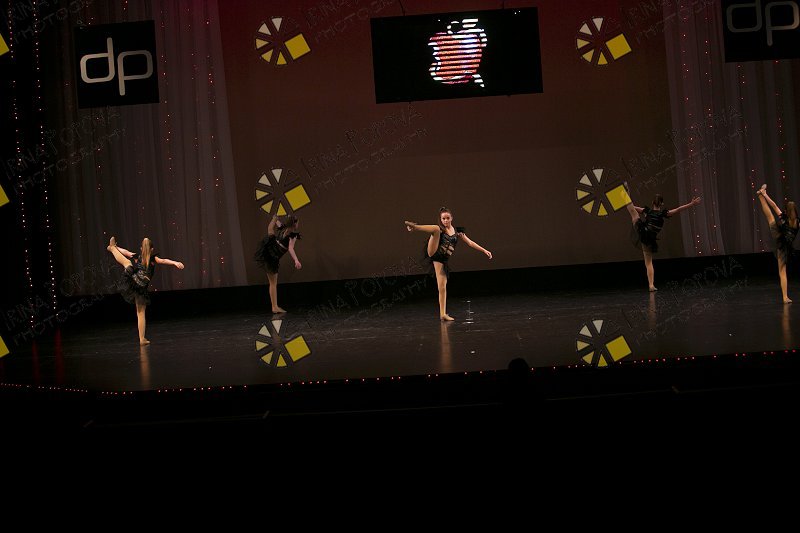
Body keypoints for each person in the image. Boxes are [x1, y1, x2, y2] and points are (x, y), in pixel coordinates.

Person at [404, 207, 492, 321]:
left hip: (442, 260)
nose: (445, 221)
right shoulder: (441, 229)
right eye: (443, 219)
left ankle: (443, 314)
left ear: (451, 218)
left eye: (447, 218)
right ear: (441, 219)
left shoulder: (458, 232)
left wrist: (484, 250)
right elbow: (436, 230)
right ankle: (414, 227)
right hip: (434, 251)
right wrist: (415, 228)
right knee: (435, 229)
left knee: (442, 287)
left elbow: (470, 243)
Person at [106, 236, 185, 345]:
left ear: (141, 249)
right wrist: (175, 263)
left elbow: (126, 252)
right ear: (151, 249)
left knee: (127, 263)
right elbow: (163, 260)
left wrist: (116, 247)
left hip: (138, 286)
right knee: (140, 313)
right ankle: (112, 248)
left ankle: (142, 339)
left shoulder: (145, 258)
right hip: (136, 284)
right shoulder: (147, 258)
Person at [624, 185, 701, 291]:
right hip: (649, 238)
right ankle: (651, 285)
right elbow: (678, 209)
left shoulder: (647, 211)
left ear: (652, 202)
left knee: (633, 213)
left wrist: (628, 200)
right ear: (662, 204)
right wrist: (692, 204)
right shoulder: (663, 214)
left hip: (642, 231)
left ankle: (625, 193)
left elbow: (632, 208)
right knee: (648, 263)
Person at [757, 184, 798, 303]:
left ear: (787, 211)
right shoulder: (797, 222)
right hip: (783, 245)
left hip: (780, 239)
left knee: (770, 218)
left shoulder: (785, 218)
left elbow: (774, 206)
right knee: (782, 271)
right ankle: (785, 297)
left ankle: (761, 196)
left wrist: (765, 194)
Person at [255, 214, 302, 313]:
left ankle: (274, 306)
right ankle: (274, 307)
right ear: (294, 224)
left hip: (269, 250)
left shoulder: (283, 228)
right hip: (273, 257)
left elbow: (278, 224)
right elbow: (290, 248)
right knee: (273, 283)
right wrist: (296, 260)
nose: (298, 224)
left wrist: (275, 219)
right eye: (297, 223)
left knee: (270, 231)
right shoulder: (292, 235)